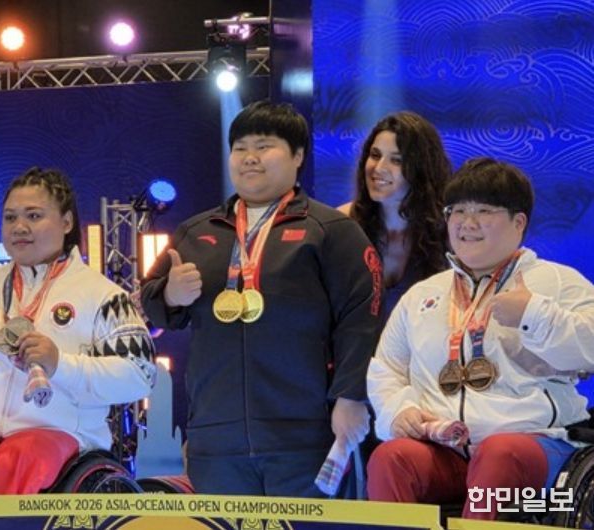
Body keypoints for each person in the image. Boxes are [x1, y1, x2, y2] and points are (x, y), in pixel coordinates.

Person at [140, 100, 383, 497]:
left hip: (304, 434)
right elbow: (151, 305)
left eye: (264, 146)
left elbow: (361, 320)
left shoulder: (330, 230)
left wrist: (351, 396)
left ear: (298, 155)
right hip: (216, 438)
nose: (249, 157)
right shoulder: (196, 231)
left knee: (310, 528)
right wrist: (170, 293)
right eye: (240, 148)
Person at [0, 167, 157, 508]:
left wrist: (60, 365)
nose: (19, 227)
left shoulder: (105, 296)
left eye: (34, 216)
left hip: (56, 430)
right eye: (10, 217)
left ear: (66, 222)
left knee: (20, 462)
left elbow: (140, 376)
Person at [366, 157, 594, 520]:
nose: (467, 223)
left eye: (484, 211)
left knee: (497, 455)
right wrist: (399, 411)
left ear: (519, 222)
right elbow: (387, 369)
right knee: (391, 458)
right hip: (448, 449)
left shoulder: (558, 282)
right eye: (458, 211)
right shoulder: (423, 295)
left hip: (534, 451)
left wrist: (534, 315)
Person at [339, 111, 452, 318]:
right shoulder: (342, 224)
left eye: (397, 160)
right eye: (375, 155)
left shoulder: (450, 231)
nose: (379, 168)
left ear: (422, 170)